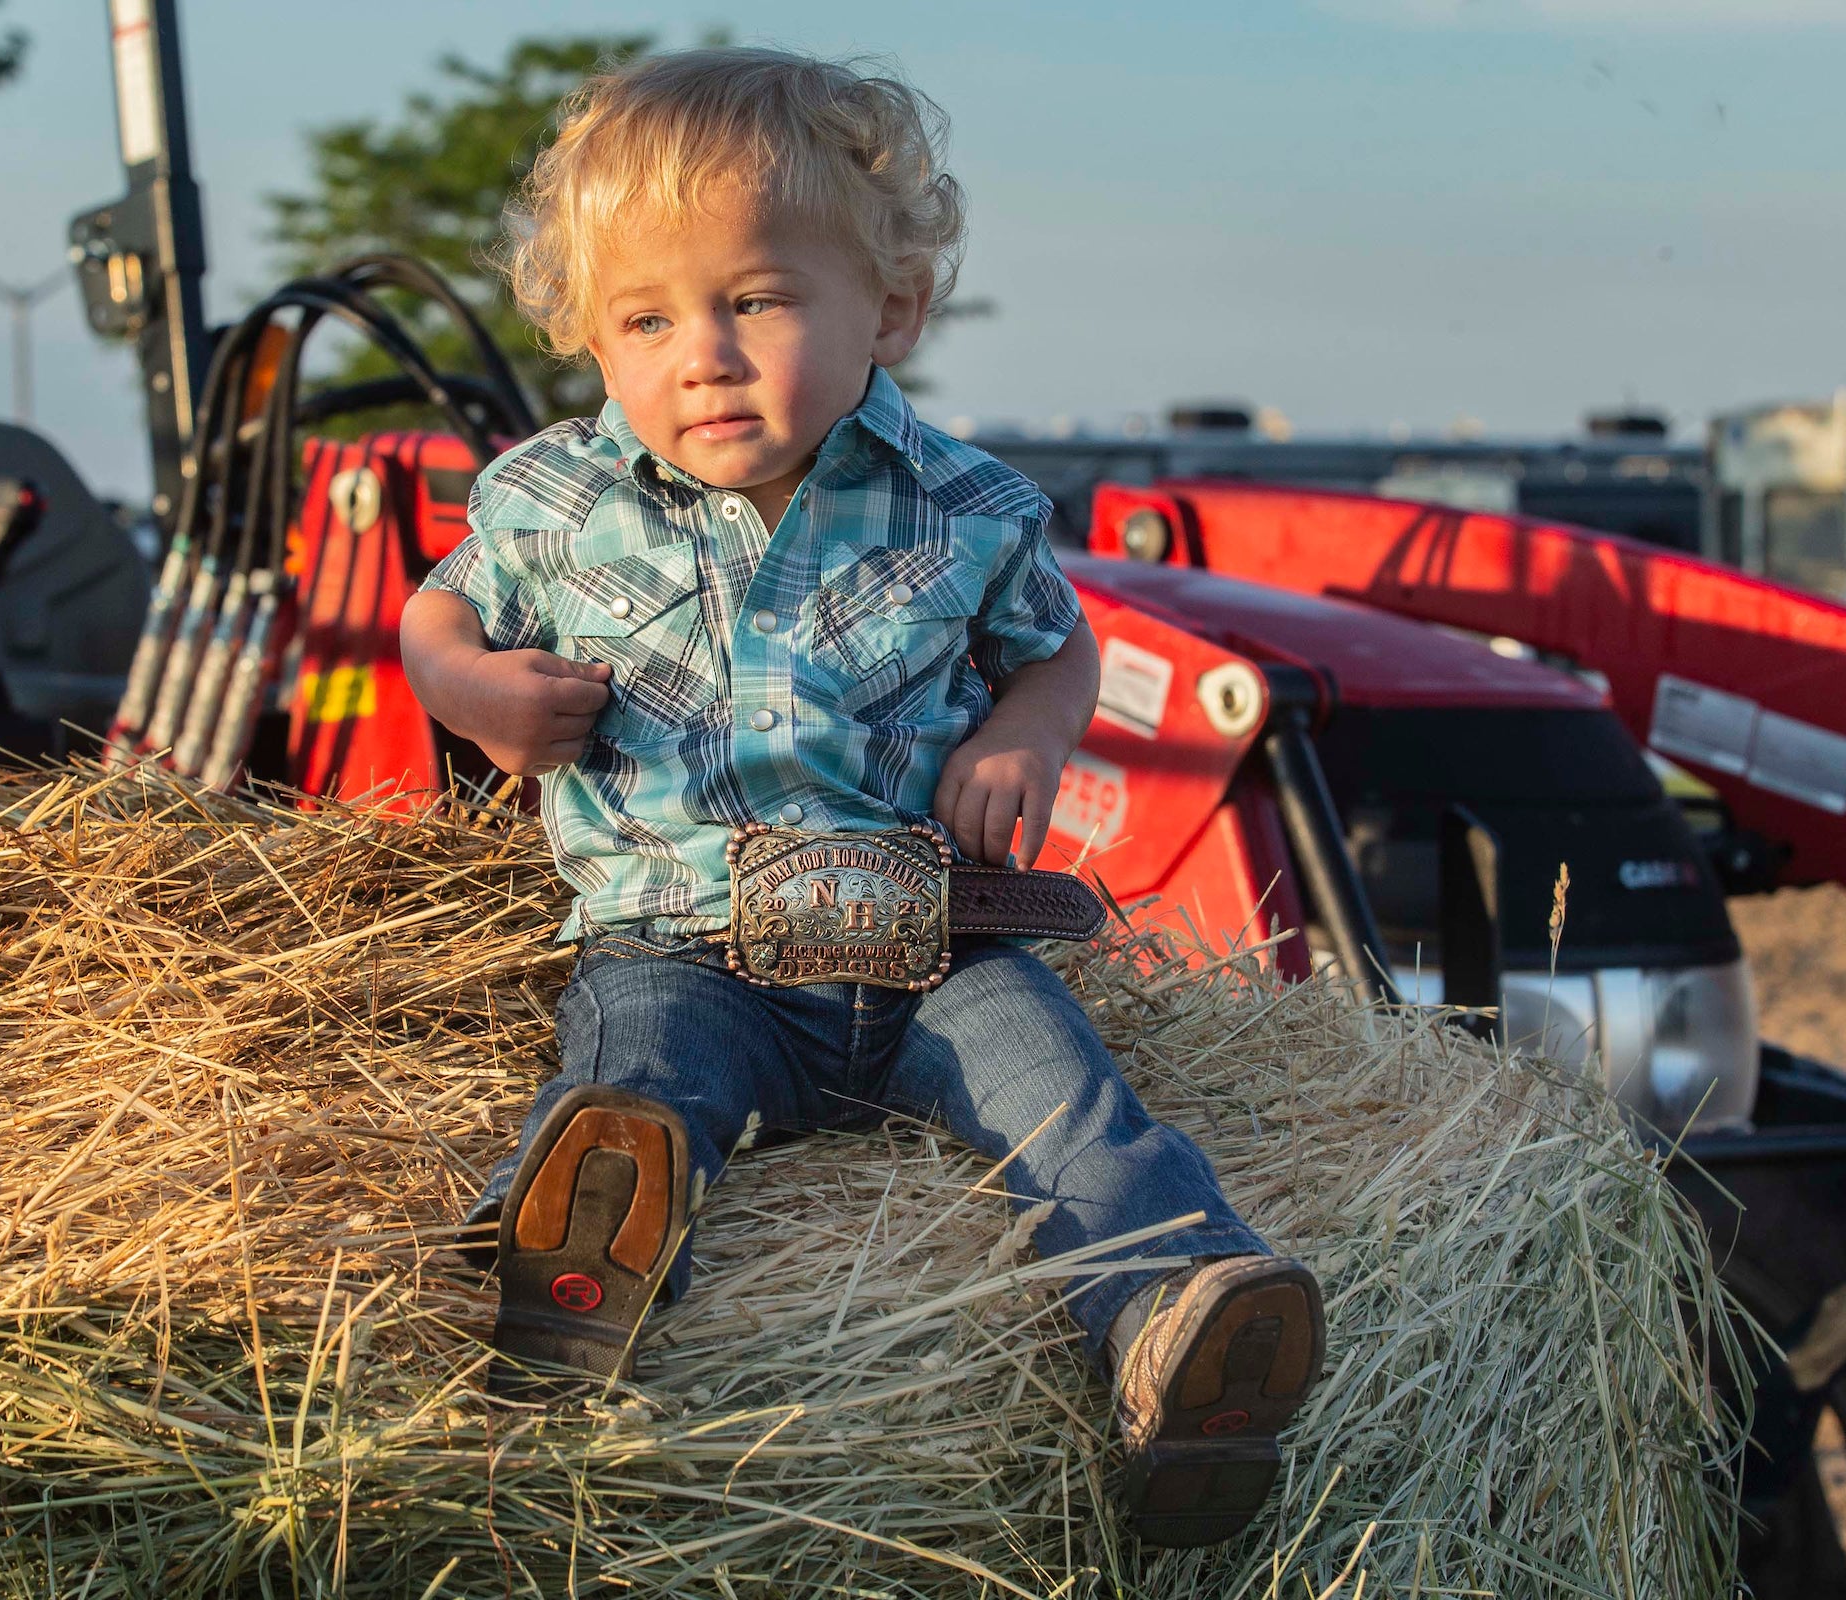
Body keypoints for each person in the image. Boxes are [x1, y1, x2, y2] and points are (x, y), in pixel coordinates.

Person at [400, 45, 1325, 1547]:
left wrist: (1024, 741)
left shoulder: (965, 506)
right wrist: (477, 693)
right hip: (685, 939)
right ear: (591, 335)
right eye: (646, 318)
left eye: (755, 300)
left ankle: (1184, 1333)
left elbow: (1060, 650)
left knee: (1075, 1107)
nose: (701, 352)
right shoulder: (548, 499)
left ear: (888, 307)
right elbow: (435, 619)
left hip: (926, 947)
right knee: (639, 1068)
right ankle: (579, 1270)